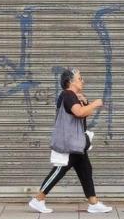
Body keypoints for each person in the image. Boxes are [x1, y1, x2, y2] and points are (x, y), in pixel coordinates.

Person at [28, 68, 113, 214]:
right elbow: (79, 112)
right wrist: (95, 103)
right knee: (60, 170)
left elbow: (83, 113)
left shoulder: (72, 96)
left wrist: (86, 103)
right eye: (80, 78)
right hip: (70, 142)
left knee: (86, 170)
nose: (83, 81)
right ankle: (38, 199)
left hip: (77, 142)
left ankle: (93, 203)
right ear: (70, 82)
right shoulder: (68, 95)